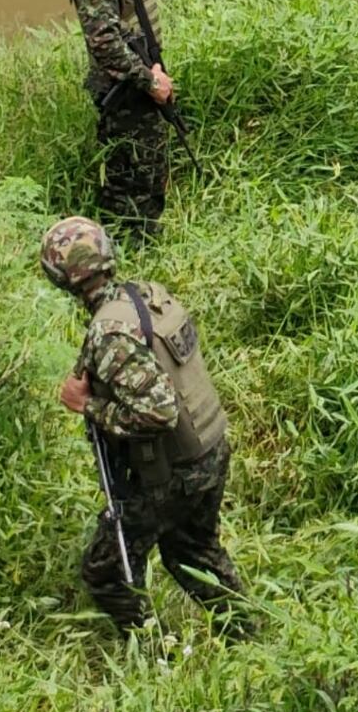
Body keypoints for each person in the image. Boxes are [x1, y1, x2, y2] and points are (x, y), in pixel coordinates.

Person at [41, 216, 246, 636]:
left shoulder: (110, 332)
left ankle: (152, 650)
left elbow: (160, 412)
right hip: (209, 449)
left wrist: (89, 406)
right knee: (192, 554)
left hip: (172, 475)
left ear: (63, 278)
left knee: (107, 570)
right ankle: (246, 635)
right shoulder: (147, 297)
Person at [66, 0, 174, 243]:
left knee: (128, 174)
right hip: (126, 88)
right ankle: (132, 257)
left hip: (127, 78)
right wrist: (150, 81)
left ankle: (118, 252)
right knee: (137, 183)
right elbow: (104, 40)